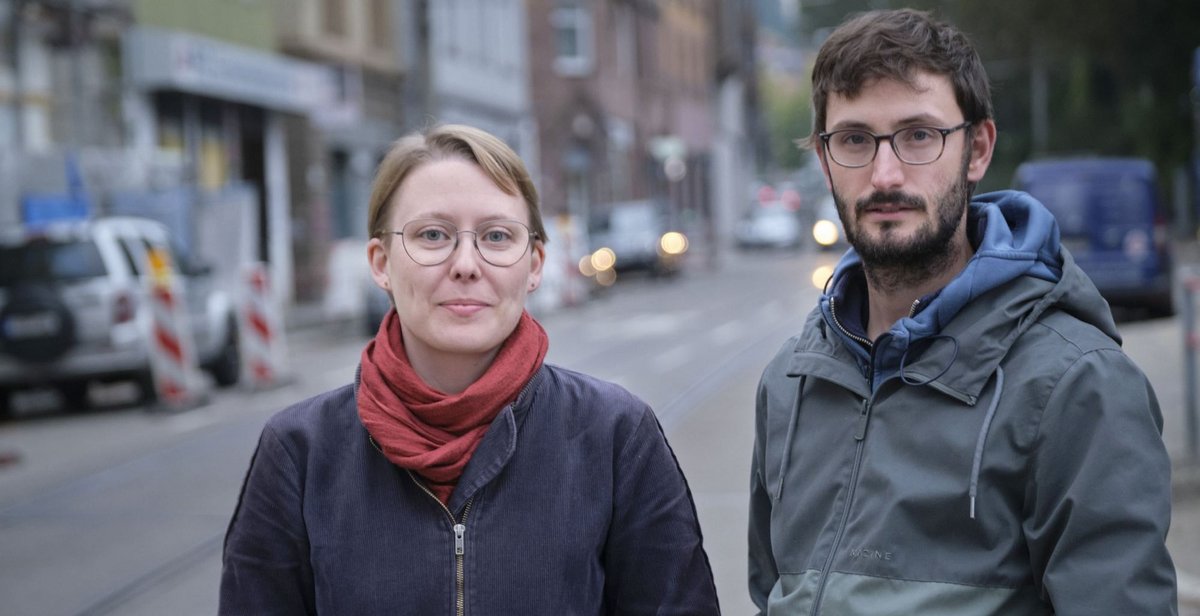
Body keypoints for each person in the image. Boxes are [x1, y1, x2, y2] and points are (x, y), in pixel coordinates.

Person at [748, 9, 1177, 615]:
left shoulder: (1077, 386)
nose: (884, 173)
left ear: (976, 150)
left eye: (919, 135)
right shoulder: (791, 381)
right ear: (824, 161)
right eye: (854, 140)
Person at [221, 124, 719, 614]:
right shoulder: (299, 453)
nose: (465, 263)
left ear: (535, 264)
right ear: (381, 262)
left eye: (497, 236)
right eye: (432, 234)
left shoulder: (615, 436)